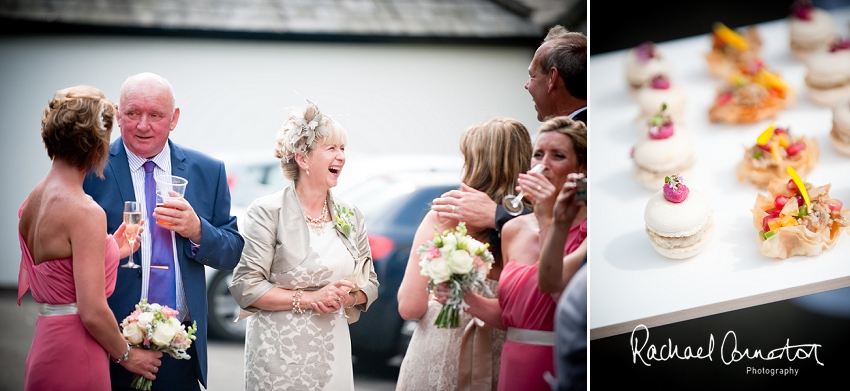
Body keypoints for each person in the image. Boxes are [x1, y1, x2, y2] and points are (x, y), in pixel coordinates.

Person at [82, 73, 245, 391]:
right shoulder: (90, 169)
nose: (143, 125)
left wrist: (198, 230)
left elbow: (233, 250)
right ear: (118, 114)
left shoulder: (207, 171)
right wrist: (121, 349)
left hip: (179, 347)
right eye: (133, 114)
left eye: (155, 115)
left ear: (174, 119)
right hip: (108, 348)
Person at [18, 85, 162, 390]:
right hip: (77, 351)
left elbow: (61, 266)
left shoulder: (34, 198)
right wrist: (127, 355)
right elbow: (93, 311)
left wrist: (111, 249)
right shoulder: (85, 211)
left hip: (45, 346)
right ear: (97, 145)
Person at [229, 100, 379, 391]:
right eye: (332, 149)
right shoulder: (268, 211)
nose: (341, 157)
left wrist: (347, 298)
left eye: (343, 149)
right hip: (279, 355)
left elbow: (370, 282)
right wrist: (310, 299)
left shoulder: (351, 213)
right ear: (303, 158)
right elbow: (246, 286)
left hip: (333, 349)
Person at [396, 118, 533, 391]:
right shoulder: (535, 224)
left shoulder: (444, 216)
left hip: (442, 352)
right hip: (509, 356)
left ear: (474, 163)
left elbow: (410, 306)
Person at [454, 117, 587, 391]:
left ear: (581, 168)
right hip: (513, 362)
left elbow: (562, 299)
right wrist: (462, 295)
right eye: (538, 154)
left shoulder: (591, 230)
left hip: (557, 362)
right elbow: (511, 316)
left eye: (558, 156)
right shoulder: (513, 228)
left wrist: (547, 218)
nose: (543, 164)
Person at [430, 25, 587, 248]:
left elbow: (582, 207)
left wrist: (497, 214)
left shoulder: (585, 134)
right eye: (539, 154)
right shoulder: (560, 131)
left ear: (552, 79)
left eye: (532, 76)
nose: (526, 85)